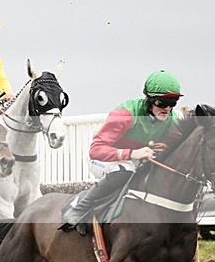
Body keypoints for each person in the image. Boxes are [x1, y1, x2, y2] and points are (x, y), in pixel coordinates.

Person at [61, 70, 183, 229]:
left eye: (172, 103)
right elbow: (95, 150)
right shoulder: (126, 114)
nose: (167, 108)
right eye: (161, 103)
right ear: (148, 99)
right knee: (125, 170)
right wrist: (132, 153)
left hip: (136, 161)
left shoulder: (173, 122)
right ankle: (81, 207)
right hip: (103, 158)